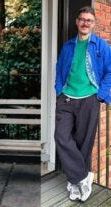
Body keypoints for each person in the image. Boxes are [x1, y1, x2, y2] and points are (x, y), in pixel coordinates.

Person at [54, 6, 111, 202]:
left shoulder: (101, 46)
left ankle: (74, 183)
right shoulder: (68, 46)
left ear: (93, 24)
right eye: (82, 19)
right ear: (77, 22)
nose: (85, 23)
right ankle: (82, 177)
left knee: (84, 143)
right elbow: (59, 68)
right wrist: (59, 90)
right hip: (67, 98)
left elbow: (110, 72)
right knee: (61, 137)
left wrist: (101, 95)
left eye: (89, 20)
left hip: (89, 98)